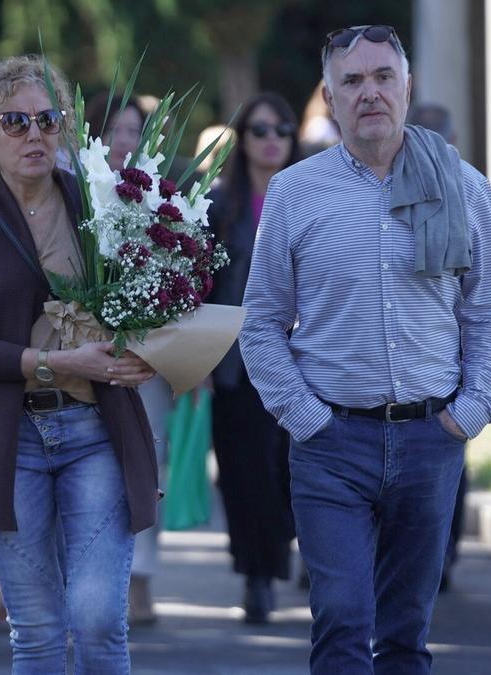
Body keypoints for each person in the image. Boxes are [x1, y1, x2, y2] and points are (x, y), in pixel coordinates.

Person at [238, 25, 491, 673]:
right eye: (352, 82)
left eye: (383, 77)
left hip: (430, 439)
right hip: (332, 444)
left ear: (407, 88)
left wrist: (469, 409)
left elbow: (489, 309)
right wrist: (305, 418)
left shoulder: (463, 186)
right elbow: (261, 323)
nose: (370, 93)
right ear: (329, 99)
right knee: (342, 619)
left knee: (404, 635)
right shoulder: (295, 193)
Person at [0, 54, 159, 673]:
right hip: (10, 440)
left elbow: (152, 298)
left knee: (97, 623)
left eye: (47, 119)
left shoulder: (103, 206)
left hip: (96, 433)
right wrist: (56, 364)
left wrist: (143, 346)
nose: (34, 134)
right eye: (14, 121)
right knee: (35, 633)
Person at [406, 101, 491, 592]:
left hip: (450, 360)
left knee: (446, 458)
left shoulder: (471, 191)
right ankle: (437, 559)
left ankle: (441, 557)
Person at [206, 91, 301, 624]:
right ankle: (256, 576)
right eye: (260, 130)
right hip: (233, 366)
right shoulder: (220, 205)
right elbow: (197, 289)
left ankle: (288, 550)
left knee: (288, 471)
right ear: (241, 140)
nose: (271, 140)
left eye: (281, 130)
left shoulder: (313, 199)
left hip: (304, 365)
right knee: (242, 476)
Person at [83, 91, 170, 626]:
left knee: (146, 464)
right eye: (115, 128)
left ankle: (142, 581)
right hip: (82, 355)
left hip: (146, 358)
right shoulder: (73, 193)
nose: (124, 140)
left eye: (135, 130)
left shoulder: (163, 198)